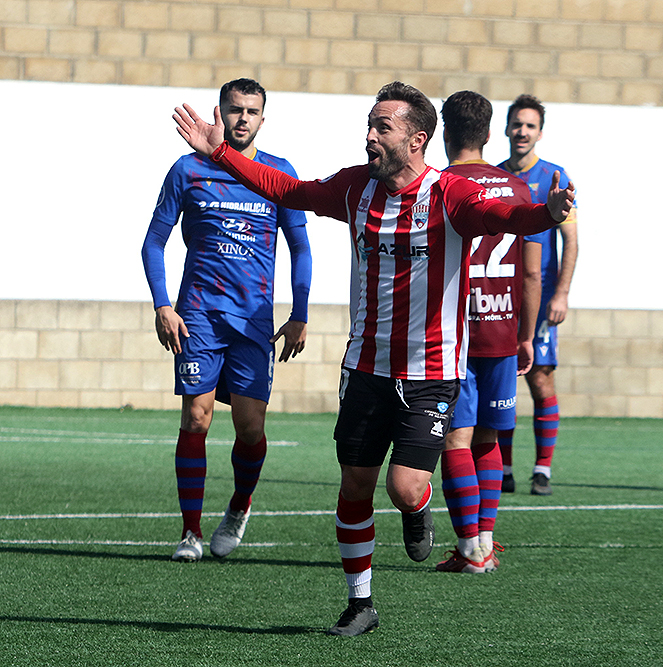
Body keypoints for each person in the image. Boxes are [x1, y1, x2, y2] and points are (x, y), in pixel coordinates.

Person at [172, 81, 575, 635]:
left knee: (403, 487)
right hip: (364, 368)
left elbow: (505, 217)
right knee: (355, 485)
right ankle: (359, 602)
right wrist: (220, 153)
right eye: (369, 124)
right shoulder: (355, 187)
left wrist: (545, 215)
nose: (369, 136)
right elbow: (289, 190)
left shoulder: (450, 193)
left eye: (381, 127)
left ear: (417, 140)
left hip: (431, 373)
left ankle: (418, 509)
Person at [141, 78, 312, 562]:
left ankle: (239, 505)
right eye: (234, 109)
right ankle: (190, 533)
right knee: (196, 419)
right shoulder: (187, 170)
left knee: (250, 427)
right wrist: (162, 304)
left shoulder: (278, 173)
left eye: (251, 111)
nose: (242, 118)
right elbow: (153, 242)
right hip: (197, 318)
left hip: (255, 321)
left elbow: (300, 247)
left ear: (263, 118)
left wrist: (300, 314)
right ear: (220, 111)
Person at [435, 91, 542, 574]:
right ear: (489, 129)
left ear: (444, 132)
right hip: (502, 332)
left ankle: (470, 550)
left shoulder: (437, 186)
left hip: (453, 334)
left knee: (455, 442)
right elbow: (532, 274)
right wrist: (526, 334)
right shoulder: (520, 190)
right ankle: (487, 542)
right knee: (488, 441)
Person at [498, 94, 578, 496]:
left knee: (541, 380)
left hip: (540, 299)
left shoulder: (554, 177)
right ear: (507, 128)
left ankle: (542, 469)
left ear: (540, 133)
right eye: (517, 124)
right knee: (503, 383)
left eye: (530, 125)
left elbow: (571, 241)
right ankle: (505, 468)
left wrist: (560, 294)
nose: (522, 132)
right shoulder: (495, 177)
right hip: (498, 301)